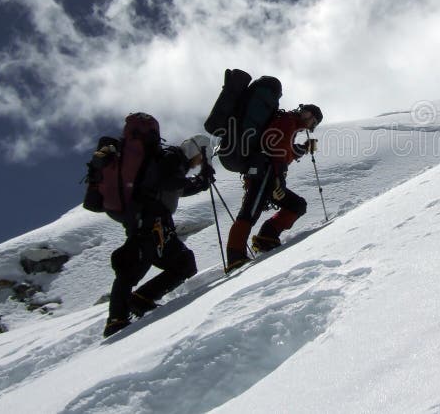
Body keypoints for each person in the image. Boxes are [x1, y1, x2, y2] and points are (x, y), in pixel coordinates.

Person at [103, 133, 214, 337]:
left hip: (150, 220)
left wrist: (200, 182)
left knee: (182, 263)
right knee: (135, 264)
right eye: (201, 157)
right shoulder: (171, 158)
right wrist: (200, 178)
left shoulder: (173, 163)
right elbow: (171, 183)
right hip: (150, 221)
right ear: (196, 151)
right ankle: (117, 319)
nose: (199, 162)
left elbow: (175, 187)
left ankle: (139, 301)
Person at [224, 104, 323, 271]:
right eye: (313, 122)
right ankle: (236, 256)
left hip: (266, 173)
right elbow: (277, 152)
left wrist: (304, 148)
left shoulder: (289, 122)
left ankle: (266, 238)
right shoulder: (288, 121)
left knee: (295, 205)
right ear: (309, 115)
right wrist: (278, 180)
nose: (311, 127)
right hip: (265, 174)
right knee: (249, 213)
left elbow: (285, 153)